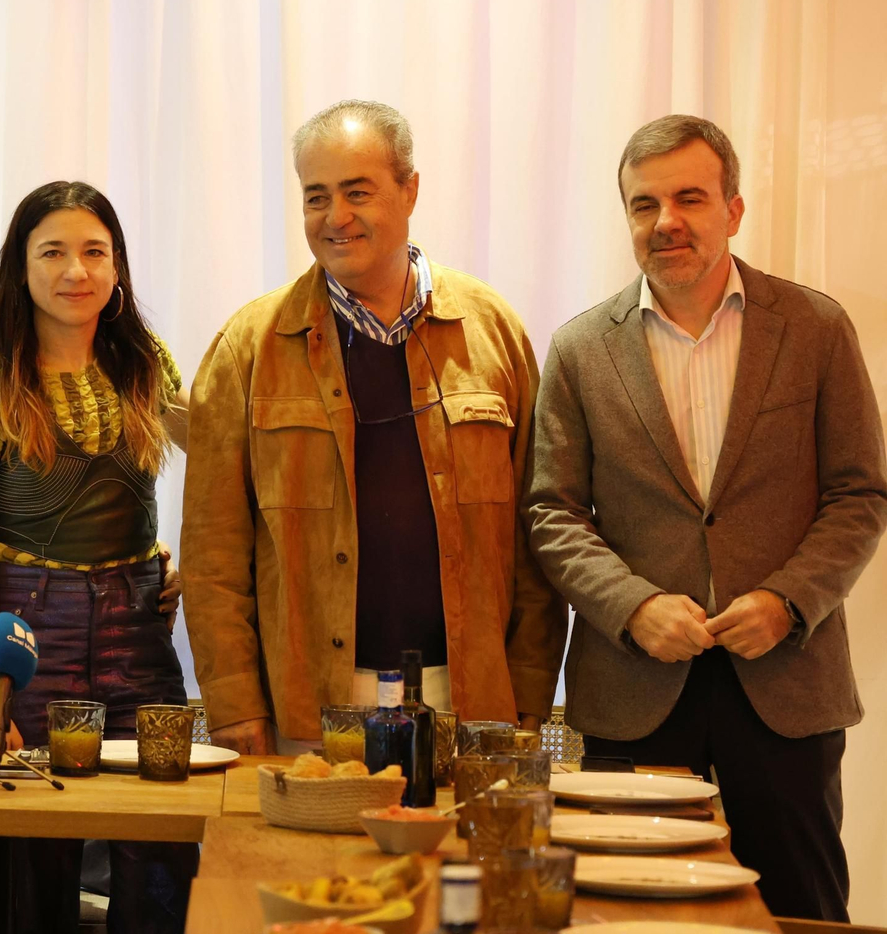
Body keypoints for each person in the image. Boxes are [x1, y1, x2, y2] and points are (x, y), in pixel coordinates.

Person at [525, 114, 887, 921]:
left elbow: (860, 494)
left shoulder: (816, 328)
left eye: (689, 198)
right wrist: (633, 607)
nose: (667, 222)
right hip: (635, 687)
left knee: (799, 911)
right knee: (628, 916)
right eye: (644, 204)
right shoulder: (581, 349)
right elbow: (552, 511)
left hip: (786, 682)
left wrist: (789, 600)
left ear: (734, 209)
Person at [182, 99, 567, 755]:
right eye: (316, 197)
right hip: (306, 708)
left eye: (357, 192)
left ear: (409, 190)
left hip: (472, 703)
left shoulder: (493, 331)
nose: (335, 216)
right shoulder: (248, 346)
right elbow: (211, 554)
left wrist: (529, 695)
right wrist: (234, 705)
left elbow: (534, 538)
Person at [0, 181, 193, 933]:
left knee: (159, 855)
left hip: (138, 637)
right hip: (22, 641)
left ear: (117, 269)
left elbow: (227, 473)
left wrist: (187, 562)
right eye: (52, 252)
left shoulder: (147, 364)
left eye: (94, 252)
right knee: (27, 868)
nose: (75, 270)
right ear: (20, 270)